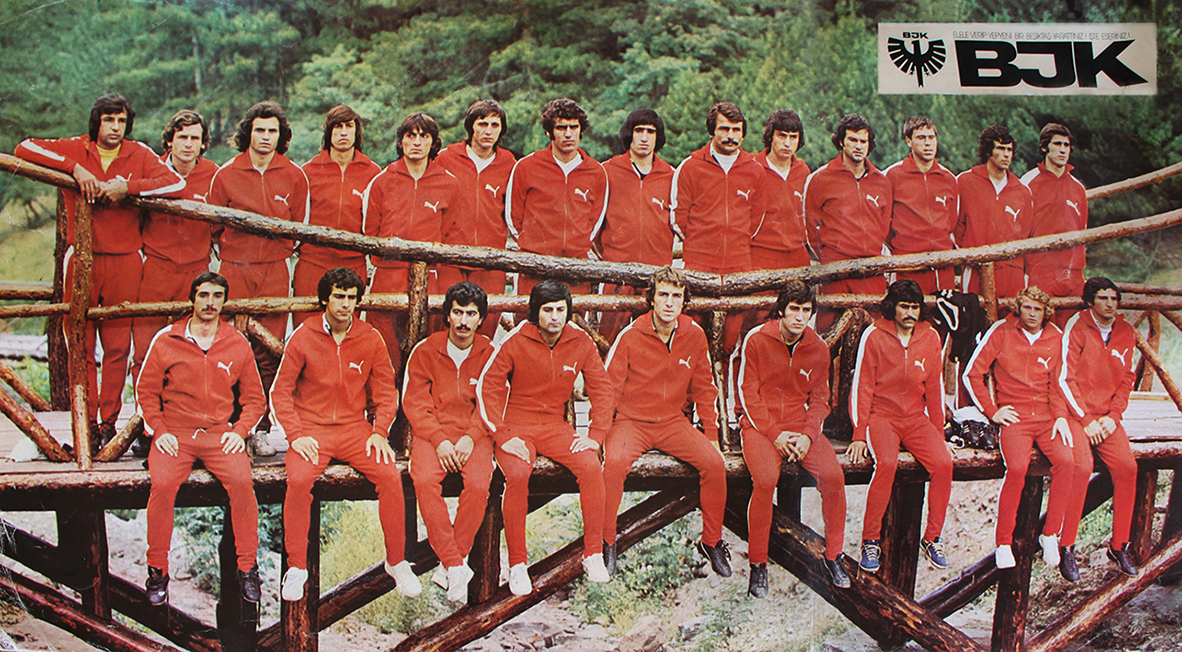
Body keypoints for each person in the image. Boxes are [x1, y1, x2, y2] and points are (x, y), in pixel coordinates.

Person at [14, 93, 185, 445]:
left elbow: (175, 183)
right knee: (79, 344)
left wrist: (129, 188)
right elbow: (24, 147)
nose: (115, 128)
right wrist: (73, 168)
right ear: (97, 122)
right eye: (109, 120)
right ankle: (86, 422)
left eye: (121, 121)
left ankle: (108, 423)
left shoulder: (138, 153)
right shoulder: (78, 148)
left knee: (117, 347)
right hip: (82, 259)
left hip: (125, 260)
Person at [271, 267, 421, 601]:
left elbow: (386, 393)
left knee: (390, 475)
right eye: (339, 296)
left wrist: (379, 432)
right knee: (298, 481)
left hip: (355, 430)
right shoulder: (303, 336)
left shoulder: (369, 337)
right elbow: (280, 392)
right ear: (324, 299)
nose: (345, 304)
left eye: (352, 298)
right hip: (311, 431)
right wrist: (295, 435)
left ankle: (396, 561)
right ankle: (296, 568)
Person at [136, 272, 265, 606]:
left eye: (217, 296)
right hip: (175, 433)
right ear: (192, 299)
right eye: (204, 295)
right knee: (163, 485)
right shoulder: (167, 339)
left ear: (224, 301)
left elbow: (255, 399)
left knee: (242, 482)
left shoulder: (236, 342)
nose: (210, 302)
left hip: (219, 434)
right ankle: (157, 570)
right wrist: (159, 430)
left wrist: (240, 431)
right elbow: (146, 392)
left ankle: (248, 568)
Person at [477, 280, 613, 595]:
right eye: (547, 310)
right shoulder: (516, 339)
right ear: (535, 312)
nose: (554, 317)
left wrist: (595, 436)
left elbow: (603, 389)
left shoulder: (580, 341)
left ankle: (593, 554)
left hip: (554, 425)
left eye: (560, 310)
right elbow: (488, 387)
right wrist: (501, 435)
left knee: (591, 466)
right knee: (518, 474)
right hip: (516, 425)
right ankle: (517, 565)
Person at [601, 267, 728, 578]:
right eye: (663, 295)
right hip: (631, 422)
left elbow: (704, 387)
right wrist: (600, 436)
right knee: (613, 464)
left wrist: (712, 435)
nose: (670, 303)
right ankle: (605, 540)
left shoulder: (694, 335)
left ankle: (711, 541)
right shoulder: (631, 335)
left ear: (684, 301)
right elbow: (608, 389)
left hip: (673, 423)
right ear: (652, 299)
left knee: (715, 465)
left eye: (676, 296)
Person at [209, 100, 310, 457]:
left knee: (269, 349)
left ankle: (262, 428)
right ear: (247, 133)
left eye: (273, 131)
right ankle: (231, 424)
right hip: (236, 266)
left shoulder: (294, 175)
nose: (266, 137)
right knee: (232, 346)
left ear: (281, 136)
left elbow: (299, 226)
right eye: (260, 130)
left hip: (275, 269)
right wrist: (235, 252)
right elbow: (213, 226)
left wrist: (275, 250)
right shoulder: (226, 173)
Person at [737, 281, 849, 595]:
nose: (800, 317)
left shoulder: (818, 348)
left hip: (800, 427)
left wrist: (808, 436)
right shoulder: (756, 339)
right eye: (794, 310)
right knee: (765, 480)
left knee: (834, 478)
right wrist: (774, 434)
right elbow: (747, 394)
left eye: (806, 310)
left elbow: (821, 400)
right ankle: (758, 564)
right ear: (782, 311)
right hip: (761, 427)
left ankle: (834, 555)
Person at [964, 286, 1076, 572]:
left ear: (1046, 312)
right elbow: (972, 374)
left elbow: (1058, 384)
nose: (1032, 314)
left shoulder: (1056, 337)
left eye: (1038, 309)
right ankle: (1003, 542)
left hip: (1047, 417)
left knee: (1067, 462)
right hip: (1015, 417)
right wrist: (993, 411)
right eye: (1027, 307)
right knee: (1016, 468)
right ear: (1019, 308)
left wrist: (1060, 416)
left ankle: (1050, 534)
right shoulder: (1002, 331)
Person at [129, 109, 218, 457]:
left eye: (195, 138)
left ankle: (185, 425)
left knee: (191, 351)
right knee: (146, 350)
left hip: (195, 272)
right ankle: (144, 425)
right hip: (156, 268)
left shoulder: (213, 174)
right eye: (182, 137)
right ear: (169, 140)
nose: (188, 144)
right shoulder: (153, 170)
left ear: (203, 143)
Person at [848, 280, 953, 573]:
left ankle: (932, 538)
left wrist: (939, 432)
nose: (909, 313)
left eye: (914, 307)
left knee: (944, 464)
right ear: (892, 307)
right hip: (882, 416)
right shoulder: (874, 335)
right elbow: (863, 387)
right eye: (904, 307)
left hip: (915, 418)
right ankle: (870, 540)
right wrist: (859, 434)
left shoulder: (930, 336)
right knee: (887, 464)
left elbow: (935, 388)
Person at [403, 282, 496, 603]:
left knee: (479, 485)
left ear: (481, 319)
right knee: (424, 481)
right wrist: (439, 440)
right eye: (457, 312)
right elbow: (415, 402)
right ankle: (456, 565)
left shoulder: (490, 353)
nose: (463, 321)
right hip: (433, 433)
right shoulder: (426, 350)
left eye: (471, 314)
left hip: (475, 433)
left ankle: (452, 563)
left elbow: (495, 401)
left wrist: (472, 437)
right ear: (447, 315)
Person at [363, 111, 459, 370]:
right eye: (410, 135)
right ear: (401, 141)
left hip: (430, 277)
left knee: (426, 348)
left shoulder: (448, 183)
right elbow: (370, 232)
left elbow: (449, 232)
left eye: (424, 136)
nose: (417, 142)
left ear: (433, 142)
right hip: (388, 275)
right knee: (384, 348)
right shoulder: (382, 181)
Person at [1059, 277, 1140, 579]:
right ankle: (1067, 546)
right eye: (1103, 298)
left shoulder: (1126, 331)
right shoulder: (1077, 327)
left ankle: (1119, 545)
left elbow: (1127, 379)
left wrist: (1114, 417)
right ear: (1090, 301)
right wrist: (1085, 419)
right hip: (1076, 413)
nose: (1110, 304)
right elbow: (1064, 378)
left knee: (1128, 469)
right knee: (1081, 469)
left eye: (1114, 298)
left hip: (1107, 417)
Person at [670, 101, 765, 353]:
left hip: (738, 264)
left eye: (736, 130)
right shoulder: (690, 166)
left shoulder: (755, 170)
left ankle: (724, 380)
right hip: (699, 263)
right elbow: (678, 215)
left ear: (743, 133)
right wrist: (701, 242)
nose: (730, 135)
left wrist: (737, 241)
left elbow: (757, 218)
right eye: (724, 129)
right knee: (693, 335)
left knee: (730, 340)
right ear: (712, 130)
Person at [505, 98, 608, 296]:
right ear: (549, 132)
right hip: (533, 265)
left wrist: (576, 246)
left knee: (574, 315)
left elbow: (596, 219)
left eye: (574, 127)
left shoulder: (596, 172)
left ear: (581, 130)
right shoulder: (526, 166)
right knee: (528, 314)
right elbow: (513, 216)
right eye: (561, 128)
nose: (568, 134)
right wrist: (533, 247)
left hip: (576, 267)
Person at [803, 113, 893, 330]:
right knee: (830, 331)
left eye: (863, 141)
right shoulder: (820, 178)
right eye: (853, 140)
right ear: (841, 141)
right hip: (836, 269)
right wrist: (830, 254)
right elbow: (810, 226)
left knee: (872, 330)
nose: (858, 146)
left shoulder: (881, 181)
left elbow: (884, 225)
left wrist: (870, 249)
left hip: (871, 269)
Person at [436, 100, 517, 336]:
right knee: (445, 322)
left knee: (487, 323)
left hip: (490, 259)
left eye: (495, 125)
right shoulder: (446, 158)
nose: (488, 131)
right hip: (449, 255)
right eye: (482, 124)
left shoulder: (510, 164)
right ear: (471, 126)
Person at [295, 105, 381, 325]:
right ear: (328, 132)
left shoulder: (373, 172)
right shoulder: (307, 171)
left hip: (353, 262)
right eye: (337, 127)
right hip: (313, 261)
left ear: (357, 131)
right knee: (307, 327)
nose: (343, 132)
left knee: (347, 326)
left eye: (348, 126)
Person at [596, 109, 676, 341]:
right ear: (629, 134)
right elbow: (593, 223)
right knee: (608, 338)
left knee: (653, 339)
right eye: (639, 131)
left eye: (650, 132)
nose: (644, 137)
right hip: (617, 272)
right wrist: (611, 255)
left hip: (656, 273)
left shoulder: (671, 175)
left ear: (658, 137)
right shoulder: (607, 170)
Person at [955, 125, 1033, 299]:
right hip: (976, 267)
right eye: (1001, 148)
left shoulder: (1022, 191)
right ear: (988, 151)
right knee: (974, 313)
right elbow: (956, 226)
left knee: (1011, 314)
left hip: (1012, 270)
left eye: (1010, 150)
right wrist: (972, 253)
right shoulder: (965, 181)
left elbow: (1026, 233)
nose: (1006, 155)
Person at [1022, 123, 1088, 325]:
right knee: (1041, 327)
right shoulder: (1028, 183)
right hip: (1040, 269)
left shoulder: (1078, 188)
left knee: (1072, 327)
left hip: (1072, 272)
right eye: (1057, 144)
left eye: (1066, 145)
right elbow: (1019, 231)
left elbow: (1083, 230)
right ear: (1044, 147)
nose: (1063, 150)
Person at [885, 116, 959, 294]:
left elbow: (952, 223)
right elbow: (883, 223)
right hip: (907, 264)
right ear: (909, 141)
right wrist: (903, 246)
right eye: (921, 138)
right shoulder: (893, 175)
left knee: (943, 311)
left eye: (931, 137)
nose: (928, 143)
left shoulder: (948, 178)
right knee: (908, 309)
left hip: (942, 265)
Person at [751, 110, 811, 270]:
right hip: (761, 254)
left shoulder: (803, 171)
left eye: (793, 137)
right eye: (782, 136)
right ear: (770, 136)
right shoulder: (752, 167)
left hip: (797, 255)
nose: (787, 143)